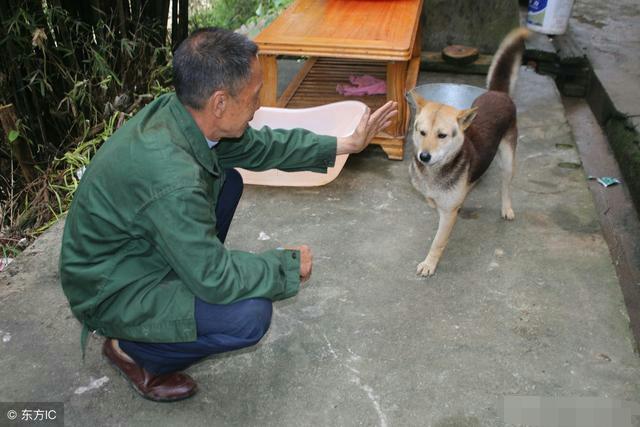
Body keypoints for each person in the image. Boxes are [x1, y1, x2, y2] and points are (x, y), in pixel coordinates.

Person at [59, 27, 397, 402]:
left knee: (228, 181)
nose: (258, 105)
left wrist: (345, 144)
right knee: (248, 315)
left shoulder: (185, 117)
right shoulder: (173, 179)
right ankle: (134, 351)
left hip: (137, 254)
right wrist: (283, 266)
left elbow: (265, 148)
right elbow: (215, 277)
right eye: (254, 96)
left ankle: (173, 296)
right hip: (110, 288)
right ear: (220, 102)